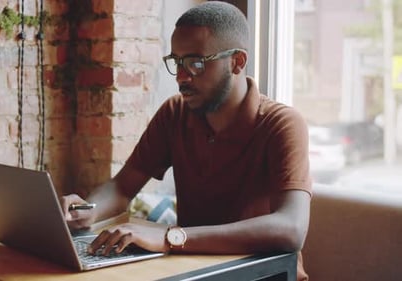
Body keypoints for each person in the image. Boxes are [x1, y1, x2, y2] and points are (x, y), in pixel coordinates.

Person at [60, 1, 312, 280]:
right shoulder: (174, 113)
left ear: (237, 62)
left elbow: (291, 228)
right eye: (177, 62)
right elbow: (122, 187)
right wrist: (87, 212)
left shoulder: (281, 124)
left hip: (263, 275)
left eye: (196, 63)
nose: (181, 77)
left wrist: (173, 238)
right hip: (193, 272)